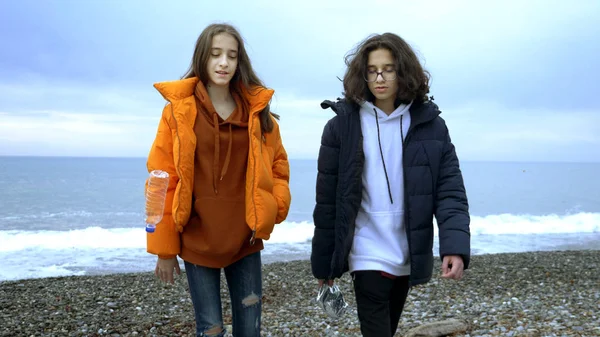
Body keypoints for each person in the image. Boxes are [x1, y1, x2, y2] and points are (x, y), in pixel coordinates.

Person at [310, 32, 471, 337]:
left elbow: (450, 191)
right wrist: (324, 266)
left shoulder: (430, 125)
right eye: (372, 70)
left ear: (403, 71)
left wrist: (456, 248)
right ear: (362, 75)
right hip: (365, 249)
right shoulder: (340, 127)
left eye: (389, 69)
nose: (380, 77)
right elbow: (328, 201)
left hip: (408, 249)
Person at [145, 23, 291, 337]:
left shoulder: (257, 114)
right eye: (215, 55)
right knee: (210, 330)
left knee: (249, 330)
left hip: (246, 240)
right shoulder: (178, 114)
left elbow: (278, 168)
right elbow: (162, 181)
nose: (223, 62)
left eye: (231, 56)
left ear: (240, 63)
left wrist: (274, 207)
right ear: (203, 58)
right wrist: (165, 250)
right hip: (198, 240)